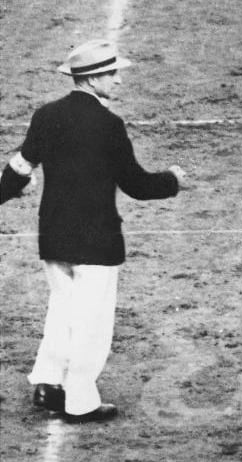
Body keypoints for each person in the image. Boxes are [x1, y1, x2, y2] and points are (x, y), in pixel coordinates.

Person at [0, 39, 185, 422]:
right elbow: (136, 184)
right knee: (91, 323)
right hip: (97, 240)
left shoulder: (45, 115)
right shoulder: (108, 125)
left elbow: (20, 167)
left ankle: (49, 384)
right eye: (112, 74)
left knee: (62, 309)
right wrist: (173, 181)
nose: (117, 81)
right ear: (92, 77)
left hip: (53, 234)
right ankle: (81, 401)